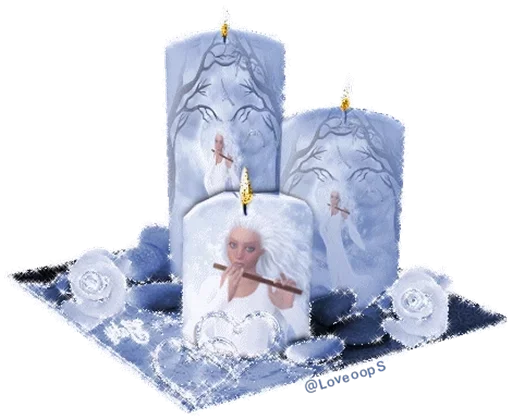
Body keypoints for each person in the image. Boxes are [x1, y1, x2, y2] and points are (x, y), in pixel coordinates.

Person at [185, 213, 311, 357]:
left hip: (259, 368)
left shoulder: (272, 289)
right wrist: (223, 297)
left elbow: (306, 337)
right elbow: (190, 336)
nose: (239, 255)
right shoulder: (212, 285)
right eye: (233, 245)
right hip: (219, 366)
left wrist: (288, 308)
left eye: (249, 248)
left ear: (261, 251)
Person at [320, 190, 371, 291]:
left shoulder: (341, 212)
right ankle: (336, 287)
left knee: (339, 263)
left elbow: (350, 226)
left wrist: (346, 217)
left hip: (337, 243)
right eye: (332, 197)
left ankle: (342, 287)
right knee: (332, 264)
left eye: (336, 197)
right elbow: (322, 228)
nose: (333, 199)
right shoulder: (328, 212)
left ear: (339, 200)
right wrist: (327, 241)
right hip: (329, 244)